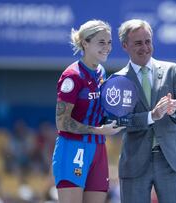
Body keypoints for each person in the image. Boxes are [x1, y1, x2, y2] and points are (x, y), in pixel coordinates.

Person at [116, 19, 176, 203]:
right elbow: (120, 121)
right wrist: (151, 116)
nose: (145, 47)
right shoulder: (118, 80)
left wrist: (175, 110)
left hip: (170, 160)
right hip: (134, 161)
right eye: (138, 43)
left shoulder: (172, 70)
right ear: (125, 46)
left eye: (148, 41)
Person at [52, 20, 125, 203]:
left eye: (109, 42)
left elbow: (100, 112)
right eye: (101, 42)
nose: (107, 47)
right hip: (73, 149)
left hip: (98, 150)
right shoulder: (72, 76)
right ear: (85, 43)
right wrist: (98, 130)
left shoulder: (101, 71)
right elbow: (62, 122)